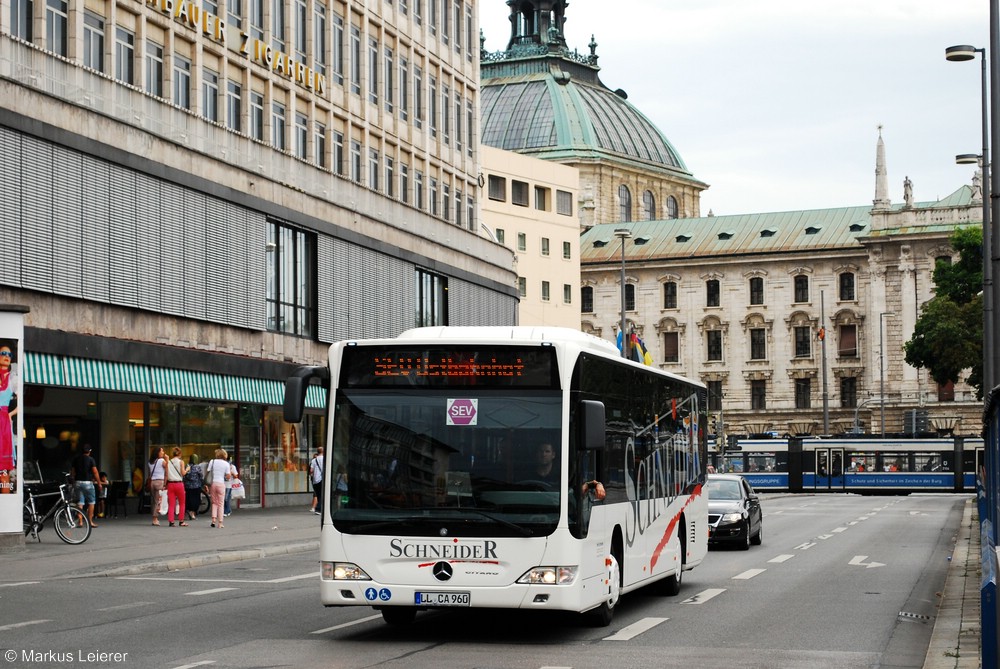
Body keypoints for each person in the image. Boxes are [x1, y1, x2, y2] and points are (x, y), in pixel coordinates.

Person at [0, 345, 18, 495]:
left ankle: (4, 504)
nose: (6, 356)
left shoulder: (13, 378)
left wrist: (10, 414)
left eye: (9, 355)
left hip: (3, 422)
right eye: (3, 353)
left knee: (3, 471)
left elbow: (21, 401)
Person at [72, 444, 102, 527]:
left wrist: (73, 482)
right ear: (89, 451)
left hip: (78, 483)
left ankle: (80, 522)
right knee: (91, 502)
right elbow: (95, 472)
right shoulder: (91, 459)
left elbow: (73, 472)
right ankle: (90, 522)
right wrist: (99, 483)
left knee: (80, 502)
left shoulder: (76, 459)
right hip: (88, 483)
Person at [205, 448, 230, 528]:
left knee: (214, 503)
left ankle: (213, 520)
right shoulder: (226, 464)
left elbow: (208, 471)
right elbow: (228, 476)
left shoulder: (212, 461)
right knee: (220, 504)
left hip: (213, 484)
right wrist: (225, 476)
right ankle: (220, 523)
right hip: (221, 484)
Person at [165, 447, 189, 527]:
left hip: (170, 484)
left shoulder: (168, 462)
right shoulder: (181, 462)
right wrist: (187, 469)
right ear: (180, 453)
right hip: (179, 484)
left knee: (171, 504)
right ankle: (181, 521)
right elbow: (182, 473)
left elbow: (166, 474)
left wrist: (165, 484)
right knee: (182, 503)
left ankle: (171, 521)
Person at [147, 446, 168, 526]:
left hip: (152, 482)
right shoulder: (161, 460)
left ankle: (154, 516)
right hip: (159, 482)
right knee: (158, 501)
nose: (163, 452)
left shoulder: (150, 462)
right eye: (162, 451)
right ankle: (155, 518)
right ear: (158, 453)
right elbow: (166, 467)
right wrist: (167, 460)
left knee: (154, 501)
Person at [183, 454, 204, 521]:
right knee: (196, 500)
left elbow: (185, 475)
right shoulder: (198, 467)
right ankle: (192, 513)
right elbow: (201, 476)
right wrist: (203, 483)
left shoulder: (187, 466)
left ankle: (188, 511)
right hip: (196, 485)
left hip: (188, 486)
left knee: (188, 499)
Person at [309, 447, 324, 514]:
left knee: (318, 495)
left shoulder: (314, 460)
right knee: (321, 495)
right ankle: (319, 509)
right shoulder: (325, 459)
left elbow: (311, 471)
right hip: (322, 479)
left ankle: (318, 508)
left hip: (315, 480)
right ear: (323, 451)